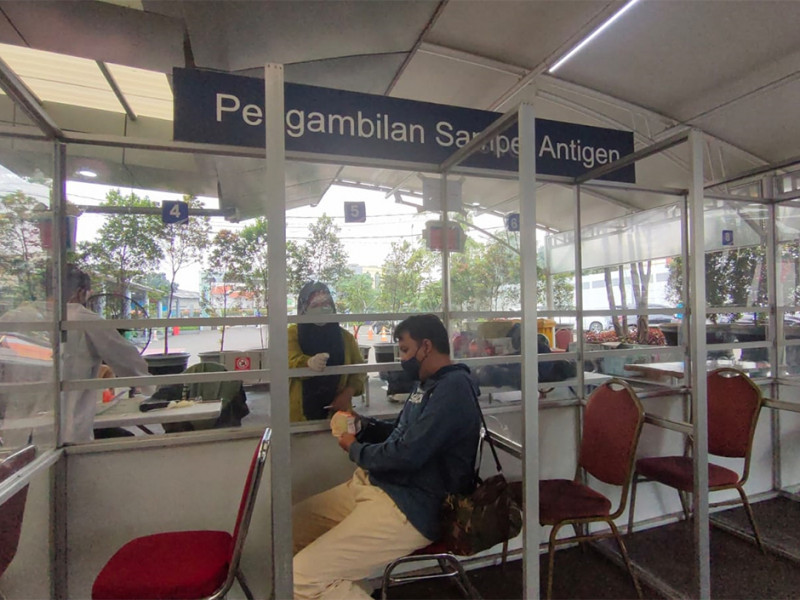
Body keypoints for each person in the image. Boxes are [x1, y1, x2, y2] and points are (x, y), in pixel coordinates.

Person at [292, 313, 482, 599]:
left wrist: (354, 448)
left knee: (300, 577)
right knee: (290, 528)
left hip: (411, 506)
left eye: (405, 350)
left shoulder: (453, 389)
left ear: (426, 346)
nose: (402, 359)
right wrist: (363, 426)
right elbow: (401, 434)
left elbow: (407, 455)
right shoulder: (426, 384)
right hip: (376, 484)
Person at [0, 264, 152, 444]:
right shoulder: (85, 320)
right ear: (80, 292)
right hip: (65, 434)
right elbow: (131, 365)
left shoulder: (13, 318)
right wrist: (154, 391)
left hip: (15, 433)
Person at [288, 281, 364, 422]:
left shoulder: (345, 337)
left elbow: (359, 370)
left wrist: (348, 393)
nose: (321, 309)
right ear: (304, 309)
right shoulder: (292, 334)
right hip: (300, 416)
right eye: (314, 305)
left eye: (326, 304)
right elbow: (289, 360)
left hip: (338, 415)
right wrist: (308, 363)